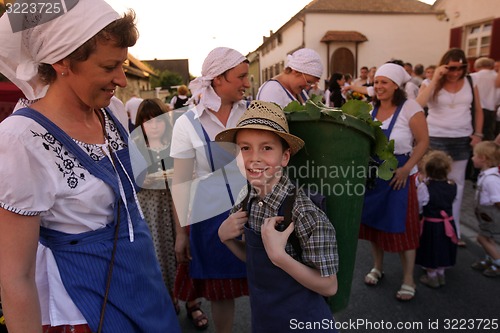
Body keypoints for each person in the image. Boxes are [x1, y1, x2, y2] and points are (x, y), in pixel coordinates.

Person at [0, 1, 181, 332]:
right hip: (84, 307)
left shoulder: (108, 110)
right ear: (62, 61)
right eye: (109, 67)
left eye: (123, 65)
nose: (122, 80)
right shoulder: (20, 139)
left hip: (140, 283)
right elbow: (16, 276)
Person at [216, 100, 339, 333]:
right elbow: (253, 258)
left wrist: (279, 256)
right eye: (245, 148)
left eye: (267, 148)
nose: (254, 158)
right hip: (265, 320)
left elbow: (329, 285)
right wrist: (226, 238)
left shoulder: (304, 212)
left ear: (285, 157)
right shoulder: (247, 199)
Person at [170, 47, 250, 333]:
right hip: (210, 218)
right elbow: (179, 182)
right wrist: (181, 234)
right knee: (222, 290)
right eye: (241, 77)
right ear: (218, 79)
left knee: (267, 281)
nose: (247, 83)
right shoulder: (186, 124)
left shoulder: (252, 113)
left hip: (256, 210)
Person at [359, 63, 429, 302]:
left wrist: (406, 169)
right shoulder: (371, 110)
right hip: (376, 177)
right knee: (374, 225)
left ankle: (408, 279)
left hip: (400, 177)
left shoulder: (410, 107)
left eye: (384, 82)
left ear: (396, 85)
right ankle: (378, 267)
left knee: (404, 229)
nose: (378, 86)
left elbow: (422, 142)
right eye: (376, 81)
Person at [416, 48, 484, 248]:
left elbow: (478, 110)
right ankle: (427, 227)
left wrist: (478, 134)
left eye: (461, 68)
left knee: (457, 185)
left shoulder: (471, 82)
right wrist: (436, 78)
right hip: (436, 137)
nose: (456, 73)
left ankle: (453, 230)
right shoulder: (430, 82)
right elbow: (419, 103)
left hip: (461, 138)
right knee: (430, 183)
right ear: (444, 65)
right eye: (452, 68)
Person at [415, 150, 458, 288]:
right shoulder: (452, 185)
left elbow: (419, 206)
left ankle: (432, 276)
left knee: (431, 248)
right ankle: (441, 274)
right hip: (448, 223)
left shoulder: (425, 187)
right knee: (443, 247)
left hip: (431, 225)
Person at [470, 141, 500, 277]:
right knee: (489, 239)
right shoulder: (485, 175)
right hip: (485, 216)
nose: (472, 158)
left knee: (482, 238)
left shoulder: (491, 179)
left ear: (483, 158)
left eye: (475, 155)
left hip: (492, 216)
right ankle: (490, 259)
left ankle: (498, 262)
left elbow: (498, 200)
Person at [256, 48, 323, 108]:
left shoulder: (299, 92)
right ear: (296, 71)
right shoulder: (271, 91)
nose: (308, 87)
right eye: (308, 82)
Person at [471, 57, 498, 141]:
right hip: (491, 110)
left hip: (475, 109)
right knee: (488, 136)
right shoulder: (497, 77)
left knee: (473, 135)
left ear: (477, 66)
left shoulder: (472, 77)